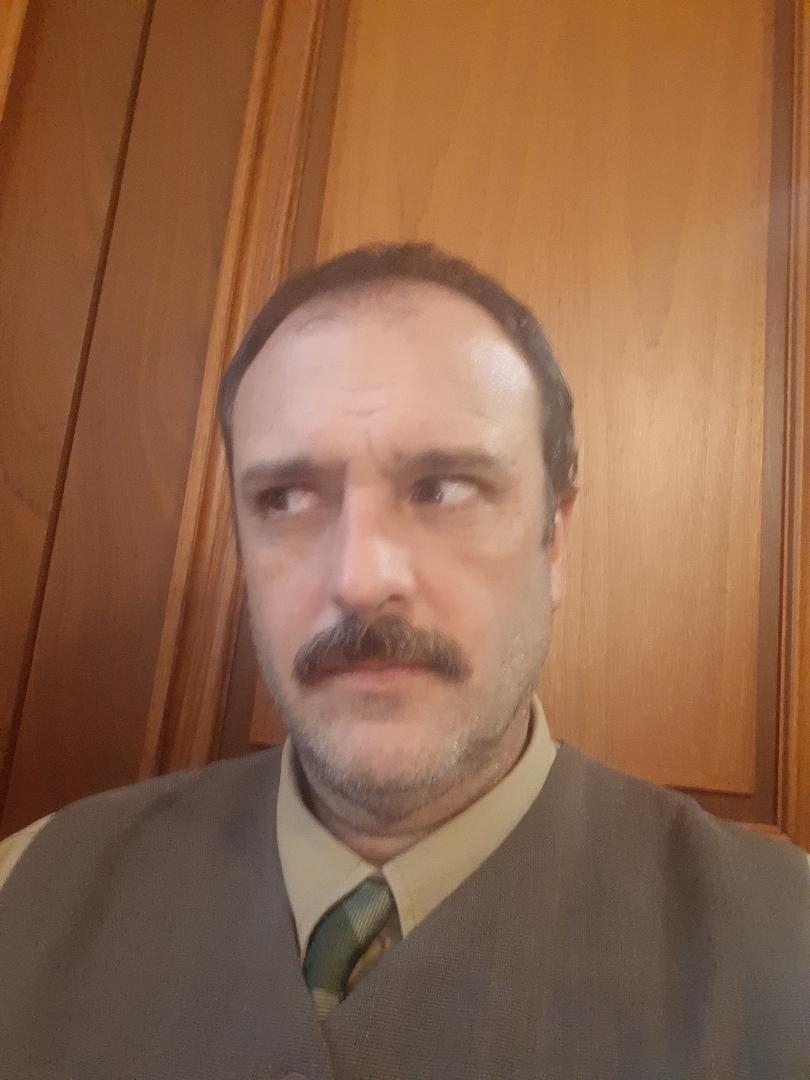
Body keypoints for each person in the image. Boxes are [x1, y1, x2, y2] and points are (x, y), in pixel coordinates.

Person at [0, 243, 807, 1079]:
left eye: (442, 488)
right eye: (285, 498)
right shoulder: (25, 891)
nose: (359, 579)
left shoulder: (787, 947)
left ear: (555, 541)